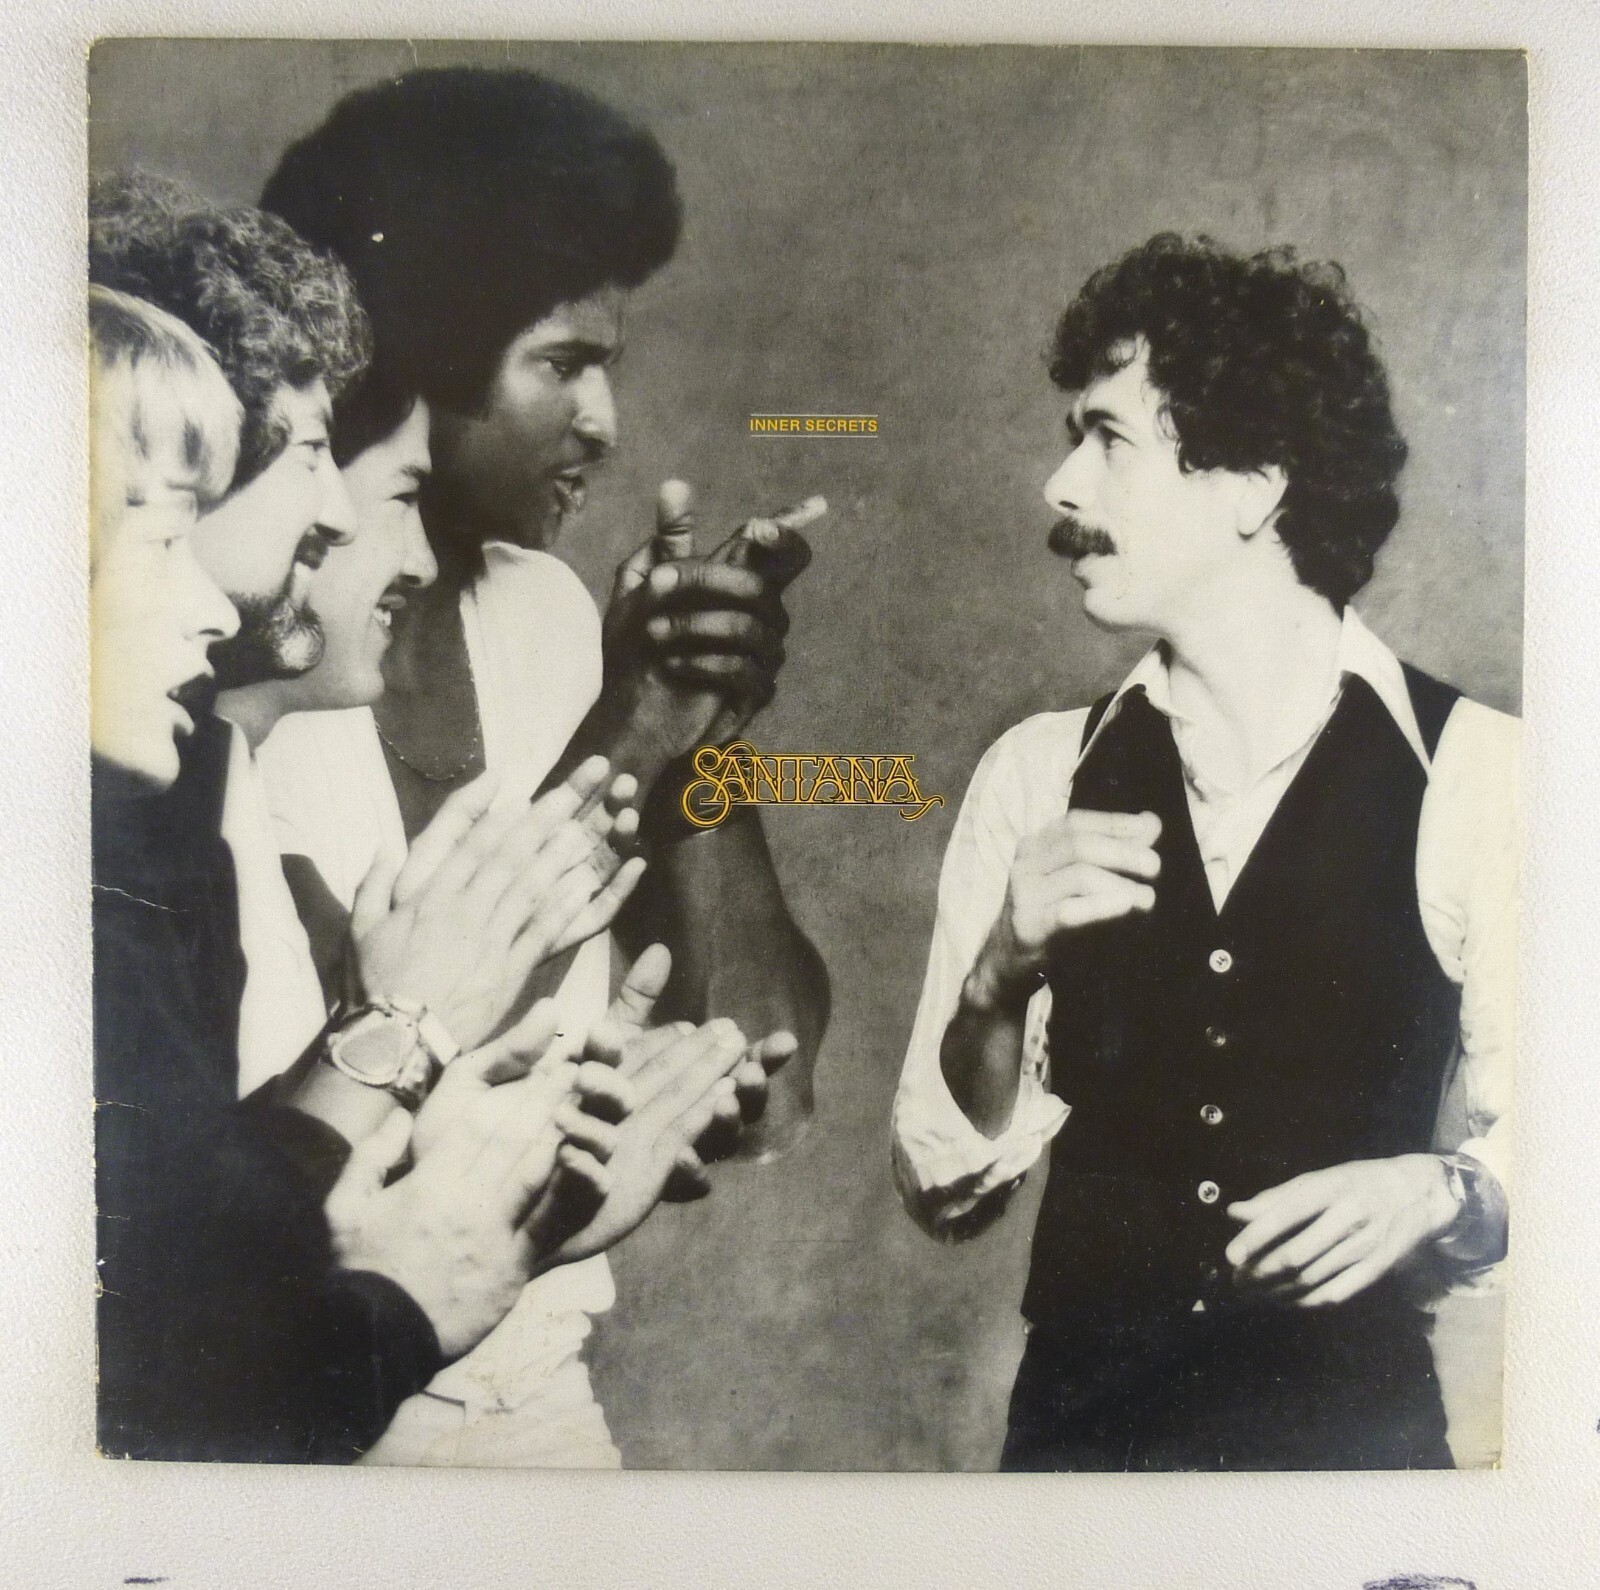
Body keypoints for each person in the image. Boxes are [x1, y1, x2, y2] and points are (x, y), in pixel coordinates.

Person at [89, 189, 746, 1462]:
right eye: (309, 455)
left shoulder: (184, 776)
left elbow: (224, 1247)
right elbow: (183, 1357)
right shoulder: (140, 803)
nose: (345, 516)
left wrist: (510, 1188)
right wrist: (401, 1036)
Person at [256, 68, 830, 1463]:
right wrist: (634, 720)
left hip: (543, 1392)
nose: (606, 424)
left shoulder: (549, 614)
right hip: (321, 1400)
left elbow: (769, 1087)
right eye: (561, 364)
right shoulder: (264, 653)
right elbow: (369, 1114)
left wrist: (699, 732)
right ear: (420, 359)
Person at [892, 234, 1516, 1470]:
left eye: (1107, 438)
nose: (1059, 486)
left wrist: (1435, 1189)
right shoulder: (1036, 773)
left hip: (1349, 1474)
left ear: (1254, 485)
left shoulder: (1479, 772)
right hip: (1078, 1476)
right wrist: (996, 978)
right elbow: (944, 1190)